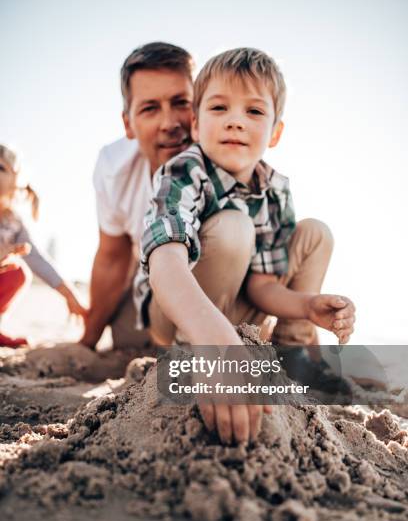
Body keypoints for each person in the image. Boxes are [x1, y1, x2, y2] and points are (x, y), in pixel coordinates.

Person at [133, 47, 356, 444]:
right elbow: (165, 261)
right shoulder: (186, 170)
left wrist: (305, 306)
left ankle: (292, 353)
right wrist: (213, 340)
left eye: (253, 112)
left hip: (233, 305)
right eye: (219, 108)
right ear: (197, 125)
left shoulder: (275, 190)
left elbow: (261, 286)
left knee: (315, 232)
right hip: (174, 307)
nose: (236, 121)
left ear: (275, 131)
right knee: (235, 226)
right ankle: (194, 356)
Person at [81, 42, 195, 349]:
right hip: (154, 292)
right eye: (150, 108)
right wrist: (87, 342)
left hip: (228, 293)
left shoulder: (226, 153)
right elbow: (113, 259)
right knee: (125, 337)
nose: (170, 123)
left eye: (181, 102)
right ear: (128, 124)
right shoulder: (113, 167)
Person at [0, 144, 86, 347]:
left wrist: (69, 295)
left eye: (0, 168)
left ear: (16, 181)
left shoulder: (13, 222)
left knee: (18, 272)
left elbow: (38, 259)